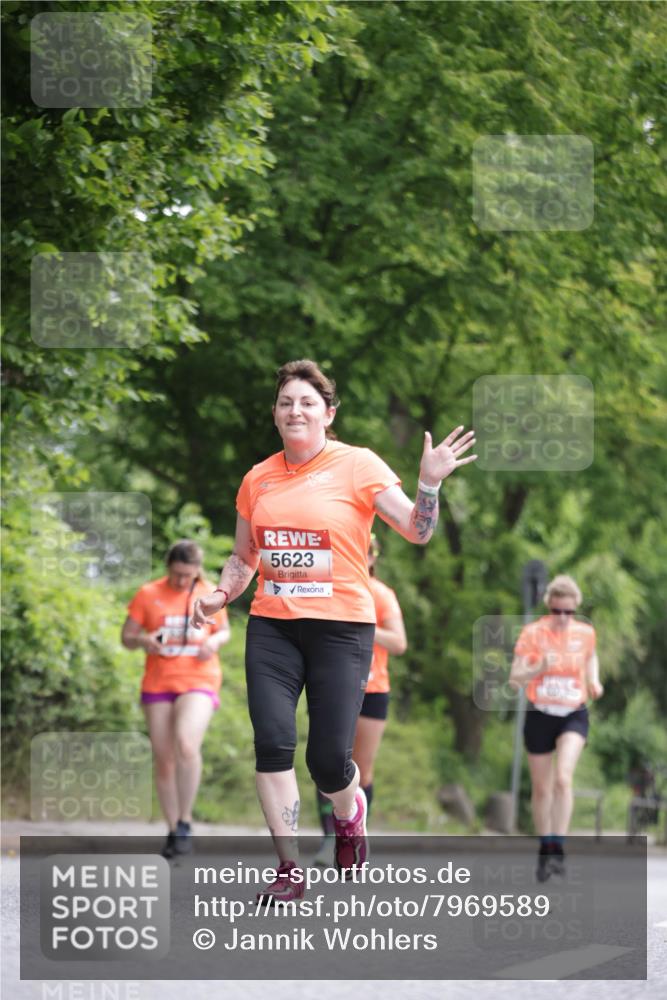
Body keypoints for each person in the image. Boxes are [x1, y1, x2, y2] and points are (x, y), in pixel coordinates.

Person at [192, 359, 476, 902]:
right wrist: (221, 594)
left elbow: (416, 530)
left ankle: (350, 813)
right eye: (285, 402)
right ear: (275, 415)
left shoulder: (359, 465)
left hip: (342, 629)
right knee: (273, 743)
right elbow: (243, 557)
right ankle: (288, 869)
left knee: (327, 759)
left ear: (328, 413)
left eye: (306, 402)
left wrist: (429, 484)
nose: (294, 410)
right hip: (273, 629)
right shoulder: (258, 478)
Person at [121, 539, 230, 858]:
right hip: (159, 681)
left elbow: (224, 631)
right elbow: (126, 637)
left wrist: (215, 643)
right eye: (177, 574)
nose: (183, 581)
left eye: (188, 575)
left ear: (197, 571)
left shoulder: (209, 592)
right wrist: (144, 640)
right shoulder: (149, 593)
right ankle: (173, 829)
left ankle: (185, 819)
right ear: (168, 567)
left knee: (186, 743)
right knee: (164, 755)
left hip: (199, 677)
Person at [314, 534, 407, 866]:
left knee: (361, 769)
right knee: (327, 763)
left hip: (372, 688)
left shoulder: (381, 595)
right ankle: (330, 838)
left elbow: (399, 643)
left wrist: (363, 625)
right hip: (331, 686)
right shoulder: (326, 589)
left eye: (361, 553)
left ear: (371, 558)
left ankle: (355, 835)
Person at [509, 574, 603, 881]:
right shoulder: (533, 633)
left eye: (569, 612)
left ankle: (559, 846)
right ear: (549, 607)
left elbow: (590, 658)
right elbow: (515, 678)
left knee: (563, 778)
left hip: (573, 713)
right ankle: (545, 844)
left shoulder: (586, 633)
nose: (563, 618)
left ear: (575, 609)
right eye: (557, 611)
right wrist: (540, 666)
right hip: (540, 713)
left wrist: (594, 680)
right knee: (541, 787)